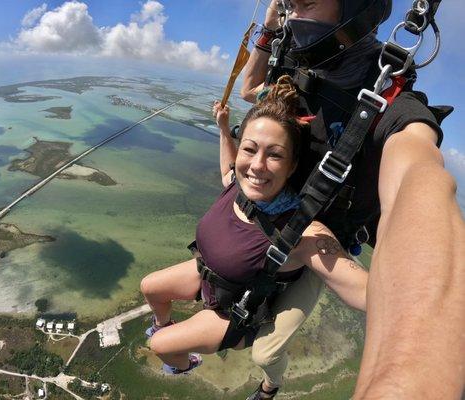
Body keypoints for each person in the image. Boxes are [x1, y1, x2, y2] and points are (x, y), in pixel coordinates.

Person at [241, 0, 465, 399]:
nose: (295, 14)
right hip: (275, 216)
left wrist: (408, 377)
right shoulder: (294, 68)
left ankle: (270, 385)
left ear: (356, 10)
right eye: (289, 5)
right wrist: (269, 32)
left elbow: (419, 174)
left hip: (319, 240)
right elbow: (249, 91)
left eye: (305, 2)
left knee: (264, 350)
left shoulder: (392, 103)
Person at [140, 76, 369, 375]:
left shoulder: (301, 231)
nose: (257, 165)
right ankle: (163, 324)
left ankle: (183, 365)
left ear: (293, 166)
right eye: (249, 149)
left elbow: (366, 293)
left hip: (232, 314)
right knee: (150, 288)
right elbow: (229, 168)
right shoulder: (239, 186)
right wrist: (224, 129)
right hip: (209, 278)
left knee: (162, 346)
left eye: (274, 154)